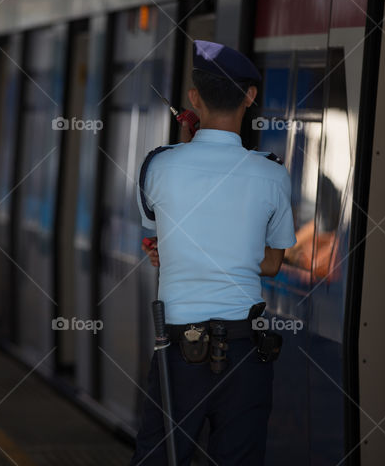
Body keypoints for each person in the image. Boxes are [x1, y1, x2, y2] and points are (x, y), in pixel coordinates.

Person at [131, 41, 297, 465]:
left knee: (160, 458)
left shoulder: (157, 166)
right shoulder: (272, 173)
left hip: (179, 348)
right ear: (250, 97)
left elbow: (160, 239)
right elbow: (273, 263)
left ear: (193, 99)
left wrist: (173, 254)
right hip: (246, 351)